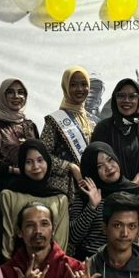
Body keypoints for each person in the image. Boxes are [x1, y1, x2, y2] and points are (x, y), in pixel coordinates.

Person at [0, 139, 72, 255]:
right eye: (29, 162)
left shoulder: (60, 199)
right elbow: (7, 239)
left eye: (40, 160)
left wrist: (52, 265)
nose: (35, 166)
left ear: (47, 161)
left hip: (52, 264)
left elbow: (60, 243)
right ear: (22, 165)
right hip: (16, 263)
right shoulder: (9, 196)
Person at [69, 142, 132, 261]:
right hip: (90, 261)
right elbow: (73, 237)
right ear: (92, 171)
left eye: (110, 160)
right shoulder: (85, 194)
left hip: (125, 261)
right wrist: (92, 206)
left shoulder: (134, 191)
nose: (108, 167)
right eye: (99, 166)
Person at [92, 76, 139, 186]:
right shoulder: (103, 128)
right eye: (121, 96)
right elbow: (97, 163)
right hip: (112, 191)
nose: (126, 100)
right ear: (114, 99)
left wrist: (133, 185)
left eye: (132, 96)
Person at [41, 66, 96, 197]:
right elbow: (42, 156)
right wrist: (70, 167)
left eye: (84, 84)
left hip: (92, 187)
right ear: (65, 87)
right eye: (73, 85)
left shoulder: (93, 120)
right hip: (65, 189)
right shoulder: (55, 120)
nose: (80, 89)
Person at [0, 78, 40, 189]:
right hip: (5, 188)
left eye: (20, 92)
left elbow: (40, 156)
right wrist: (14, 170)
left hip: (33, 185)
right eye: (10, 92)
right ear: (3, 96)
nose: (16, 96)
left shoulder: (30, 125)